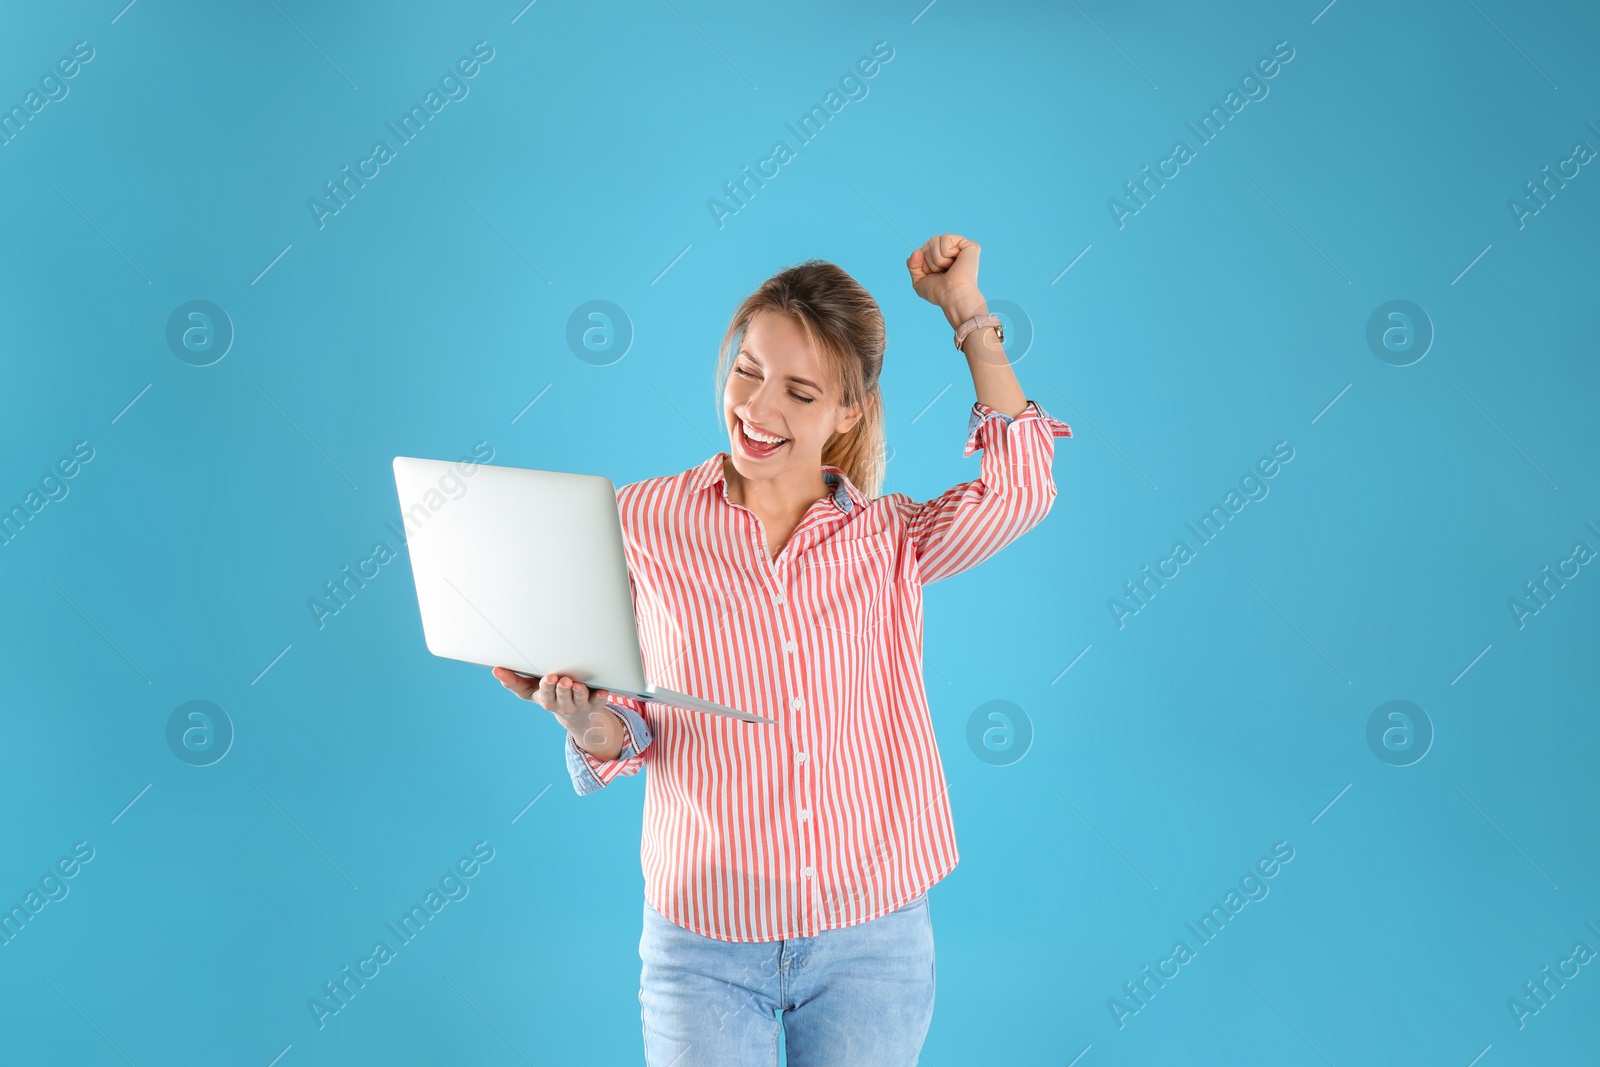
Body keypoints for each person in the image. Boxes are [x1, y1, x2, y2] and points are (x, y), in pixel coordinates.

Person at [492, 233, 1072, 1066]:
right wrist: (588, 724)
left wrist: (967, 312)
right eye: (748, 371)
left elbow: (1021, 488)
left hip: (872, 937)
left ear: (850, 412)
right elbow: (635, 718)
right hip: (703, 939)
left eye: (800, 392)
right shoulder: (640, 522)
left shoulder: (887, 540)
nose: (759, 410)